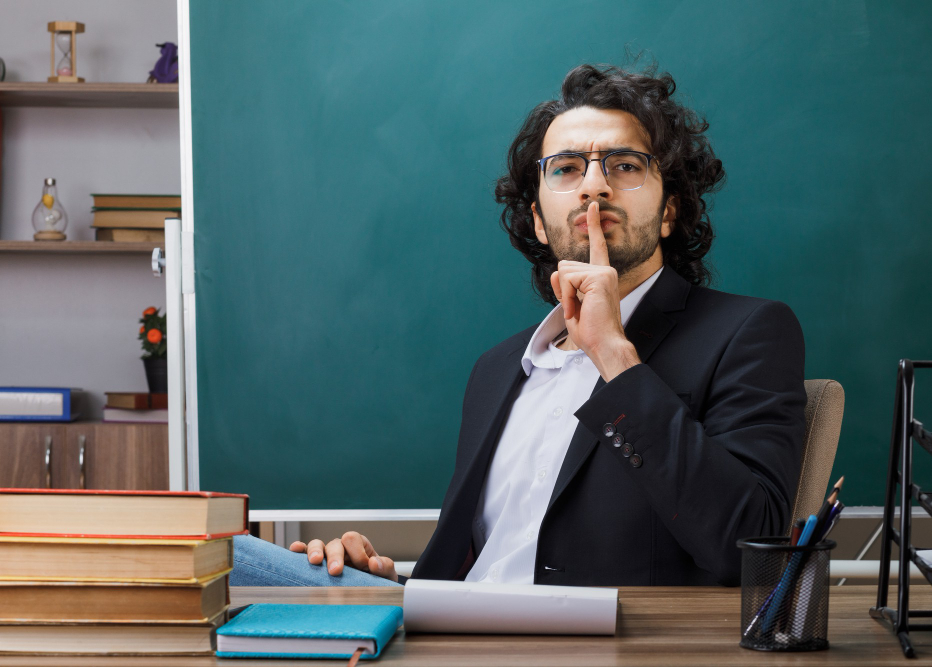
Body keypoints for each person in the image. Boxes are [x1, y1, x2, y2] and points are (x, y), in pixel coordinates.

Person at [232, 63, 806, 588]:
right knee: (233, 559)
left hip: (602, 647)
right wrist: (376, 577)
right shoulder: (498, 368)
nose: (594, 186)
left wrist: (615, 356)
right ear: (537, 218)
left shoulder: (748, 332)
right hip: (455, 640)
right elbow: (476, 563)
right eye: (566, 169)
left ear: (669, 212)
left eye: (625, 166)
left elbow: (750, 544)